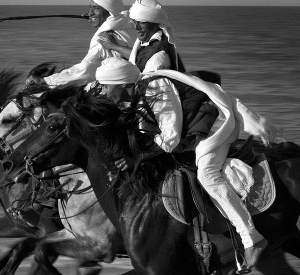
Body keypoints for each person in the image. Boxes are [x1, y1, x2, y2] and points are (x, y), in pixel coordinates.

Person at [96, 57, 272, 271]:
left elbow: (170, 138)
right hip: (190, 134)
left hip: (214, 128)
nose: (104, 92)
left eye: (105, 87)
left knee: (207, 175)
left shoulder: (155, 88)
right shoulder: (135, 95)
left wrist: (138, 158)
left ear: (122, 84)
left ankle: (252, 239)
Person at [26, 0, 137, 88]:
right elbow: (120, 14)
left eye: (96, 8)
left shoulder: (102, 40)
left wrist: (45, 80)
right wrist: (98, 18)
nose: (90, 13)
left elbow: (84, 72)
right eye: (90, 8)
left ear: (109, 12)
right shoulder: (128, 27)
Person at [98, 0, 185, 74]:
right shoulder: (154, 43)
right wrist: (113, 46)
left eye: (142, 22)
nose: (137, 27)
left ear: (156, 24)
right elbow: (139, 57)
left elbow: (148, 84)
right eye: (134, 22)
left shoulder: (159, 55)